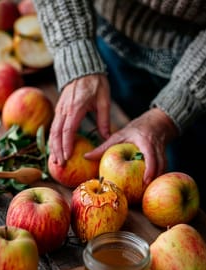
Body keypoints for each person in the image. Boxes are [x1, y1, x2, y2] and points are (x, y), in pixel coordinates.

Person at [33, 0, 206, 209]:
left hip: (200, 74)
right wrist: (73, 48)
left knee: (189, 176)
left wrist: (174, 110)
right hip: (108, 36)